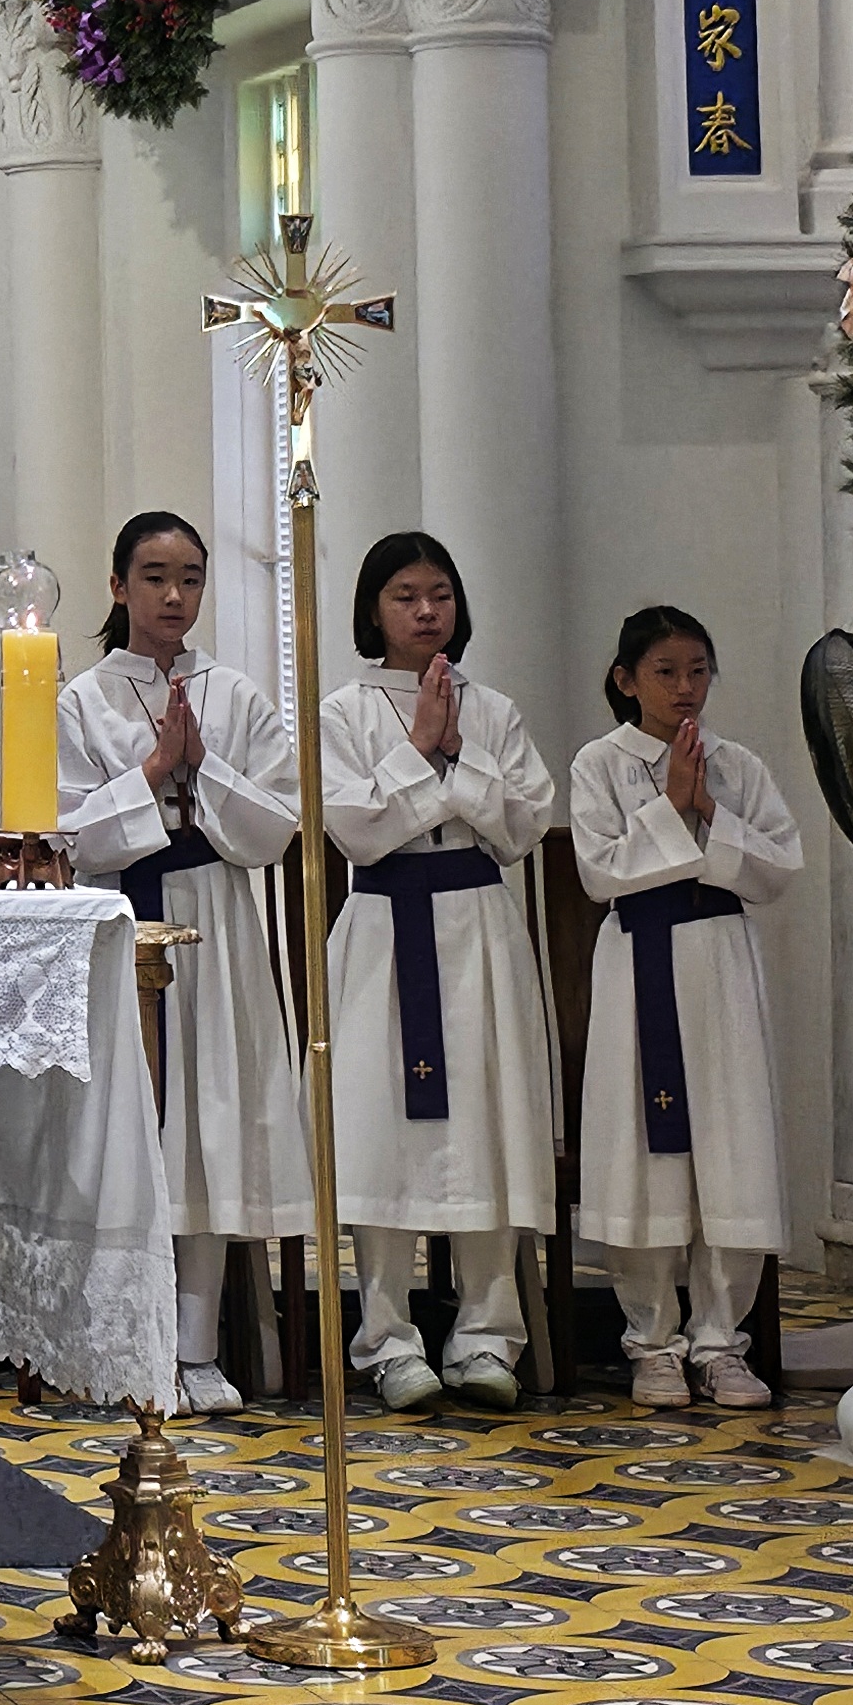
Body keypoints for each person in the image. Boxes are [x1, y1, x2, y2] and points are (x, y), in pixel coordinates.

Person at [58, 508, 306, 1420]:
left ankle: (195, 1351)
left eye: (191, 578)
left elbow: (276, 828)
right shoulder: (82, 699)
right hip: (125, 921)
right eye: (155, 577)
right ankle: (126, 1342)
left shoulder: (235, 695)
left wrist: (202, 768)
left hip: (216, 922)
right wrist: (154, 771)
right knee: (139, 1127)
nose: (174, 595)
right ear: (118, 586)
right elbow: (68, 833)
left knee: (209, 1127)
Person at [317, 531, 559, 1413]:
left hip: (479, 930)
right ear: (372, 609)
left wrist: (455, 759)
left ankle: (489, 1335)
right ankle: (387, 1340)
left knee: (491, 1122)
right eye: (405, 596)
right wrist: (423, 751)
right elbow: (354, 829)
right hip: (385, 927)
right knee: (379, 1128)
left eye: (441, 595)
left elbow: (524, 824)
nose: (426, 612)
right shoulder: (343, 712)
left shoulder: (493, 709)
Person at [569, 606, 798, 1411]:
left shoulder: (737, 765)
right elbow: (600, 872)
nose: (685, 688)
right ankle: (653, 1343)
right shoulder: (600, 763)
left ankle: (721, 1344)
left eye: (698, 670)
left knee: (732, 1147)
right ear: (627, 680)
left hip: (721, 962)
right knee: (645, 1154)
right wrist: (669, 808)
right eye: (665, 672)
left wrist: (709, 813)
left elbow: (778, 867)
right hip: (639, 961)